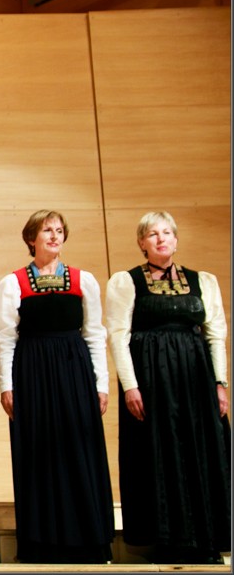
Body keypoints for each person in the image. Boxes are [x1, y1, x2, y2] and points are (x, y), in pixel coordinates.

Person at [105, 211, 230, 564]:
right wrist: (130, 386)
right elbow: (118, 337)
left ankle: (206, 541)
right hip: (152, 380)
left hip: (195, 379)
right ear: (142, 243)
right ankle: (170, 541)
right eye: (152, 234)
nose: (161, 239)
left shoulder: (203, 281)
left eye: (166, 233)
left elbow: (215, 335)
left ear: (176, 239)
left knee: (202, 450)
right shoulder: (126, 281)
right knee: (161, 453)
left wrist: (220, 383)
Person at [0, 210, 113, 563]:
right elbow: (5, 338)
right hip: (32, 372)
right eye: (47, 230)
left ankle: (89, 542)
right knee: (39, 453)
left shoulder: (83, 280)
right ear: (31, 238)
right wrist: (6, 385)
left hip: (74, 372)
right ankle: (42, 544)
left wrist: (101, 384)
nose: (54, 236)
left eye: (59, 230)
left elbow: (94, 334)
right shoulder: (13, 283)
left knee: (79, 449)